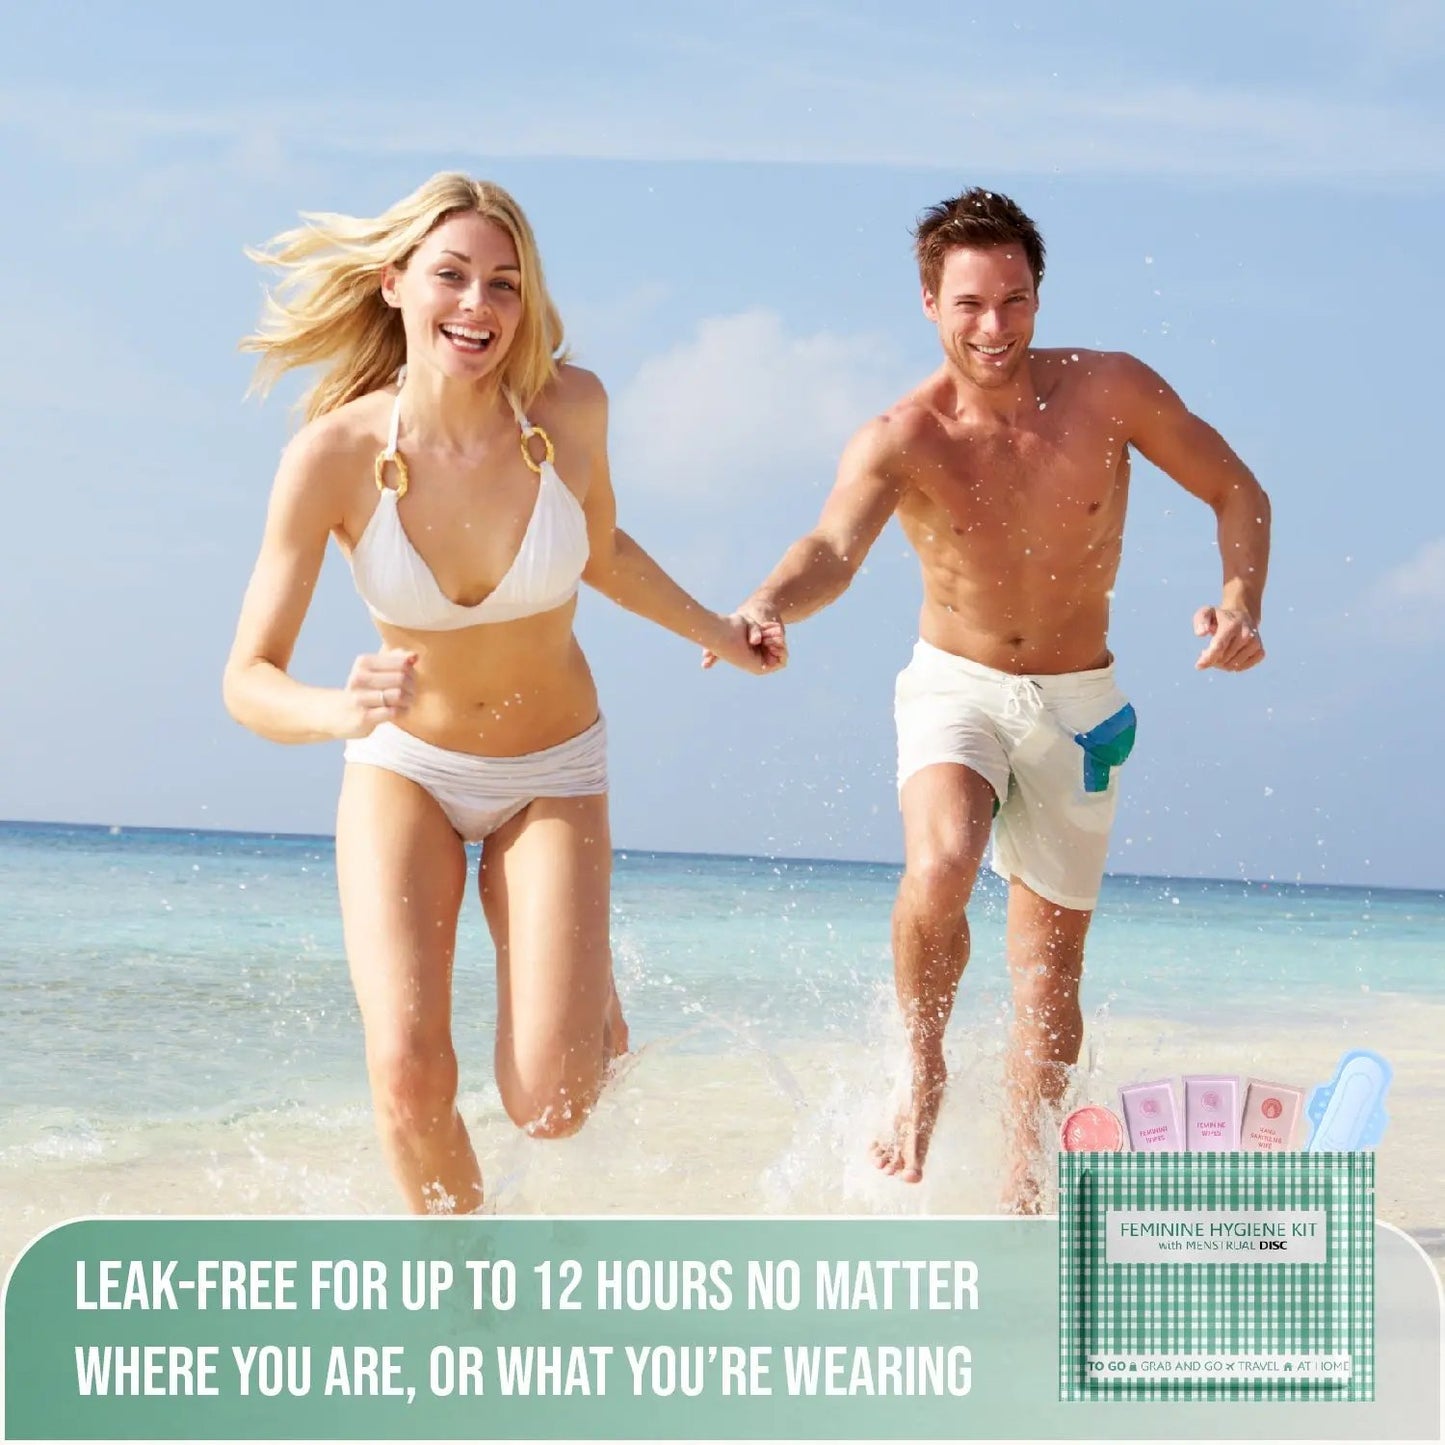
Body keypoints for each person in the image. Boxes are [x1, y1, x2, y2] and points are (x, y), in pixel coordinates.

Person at [224, 172, 785, 1214]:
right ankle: (464, 1289)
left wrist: (720, 631)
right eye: (451, 276)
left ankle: (585, 1016)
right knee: (406, 1071)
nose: (477, 306)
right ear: (394, 283)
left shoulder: (570, 410)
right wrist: (334, 710)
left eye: (504, 284)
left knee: (553, 1104)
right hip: (406, 769)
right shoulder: (333, 458)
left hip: (551, 767)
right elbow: (246, 677)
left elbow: (601, 546)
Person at [717, 188, 1270, 1210]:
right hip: (955, 686)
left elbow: (1236, 487)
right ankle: (920, 1065)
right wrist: (766, 600)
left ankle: (1020, 1193)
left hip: (1079, 700)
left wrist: (1238, 599)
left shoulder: (1109, 391)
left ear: (1035, 296)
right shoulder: (900, 436)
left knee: (1046, 982)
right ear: (927, 302)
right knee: (941, 862)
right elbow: (832, 548)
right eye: (968, 303)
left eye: (1013, 301)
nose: (993, 327)